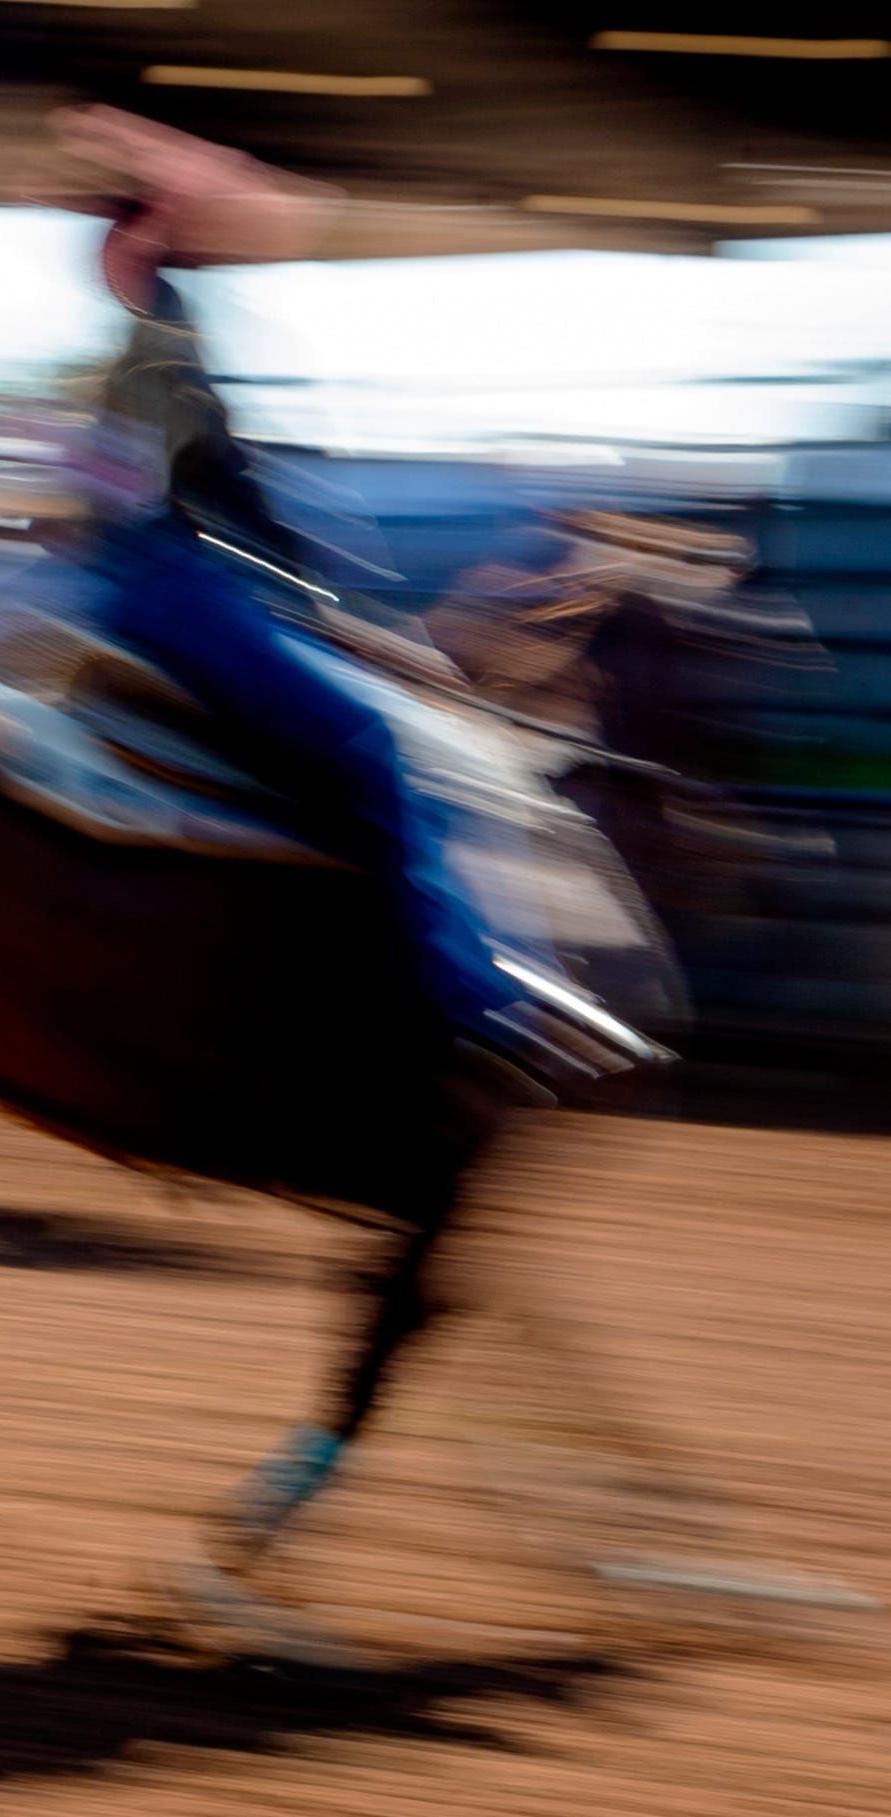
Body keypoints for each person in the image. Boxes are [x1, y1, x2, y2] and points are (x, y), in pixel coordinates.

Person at [53, 104, 646, 1086]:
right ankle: (474, 1004)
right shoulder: (159, 343)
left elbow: (232, 507)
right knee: (372, 750)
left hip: (166, 581)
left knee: (358, 736)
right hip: (168, 587)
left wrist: (337, 615)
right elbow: (196, 505)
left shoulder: (165, 343)